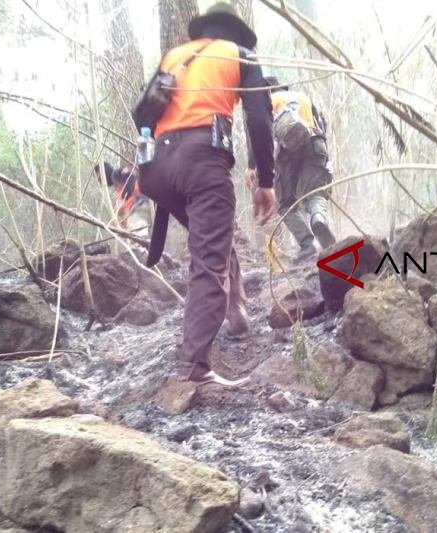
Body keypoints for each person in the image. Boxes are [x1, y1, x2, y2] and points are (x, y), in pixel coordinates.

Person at [137, 2, 276, 386]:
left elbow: (143, 115)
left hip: (156, 169)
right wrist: (266, 180)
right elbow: (260, 119)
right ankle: (194, 367)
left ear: (205, 31)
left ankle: (236, 310)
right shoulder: (240, 55)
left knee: (212, 234)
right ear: (237, 33)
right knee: (208, 259)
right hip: (203, 161)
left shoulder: (174, 57)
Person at [247, 76, 336, 262]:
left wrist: (252, 165)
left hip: (286, 154)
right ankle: (318, 218)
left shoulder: (266, 103)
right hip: (315, 144)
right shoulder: (302, 97)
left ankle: (307, 244)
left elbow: (258, 135)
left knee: (285, 202)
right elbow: (322, 125)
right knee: (316, 191)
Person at [99, 162, 150, 237]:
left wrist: (126, 196)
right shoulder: (117, 187)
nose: (99, 180)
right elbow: (122, 208)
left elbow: (131, 179)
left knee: (140, 237)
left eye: (99, 177)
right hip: (137, 208)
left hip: (139, 205)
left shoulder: (117, 175)